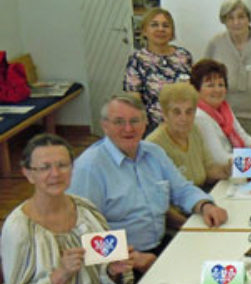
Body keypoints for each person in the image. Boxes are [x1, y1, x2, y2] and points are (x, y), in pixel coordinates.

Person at [1, 134, 134, 284]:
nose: (55, 174)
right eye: (44, 168)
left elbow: (109, 275)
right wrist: (60, 275)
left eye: (62, 165)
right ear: (28, 174)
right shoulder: (19, 229)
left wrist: (114, 271)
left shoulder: (85, 209)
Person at [69, 94, 228, 272]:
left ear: (145, 123)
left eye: (135, 121)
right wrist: (129, 258)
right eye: (119, 122)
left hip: (161, 245)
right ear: (105, 126)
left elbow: (182, 189)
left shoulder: (154, 152)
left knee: (221, 260)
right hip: (122, 263)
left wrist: (206, 206)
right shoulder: (89, 168)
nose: (128, 128)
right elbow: (82, 231)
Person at [203, 0, 251, 138]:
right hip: (226, 121)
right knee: (236, 160)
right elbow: (203, 82)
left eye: (241, 17)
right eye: (230, 18)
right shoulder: (215, 44)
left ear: (249, 18)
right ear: (224, 21)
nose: (236, 22)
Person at [192, 59, 251, 165]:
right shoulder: (199, 116)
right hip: (219, 174)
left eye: (221, 85)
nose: (217, 90)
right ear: (196, 90)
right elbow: (219, 158)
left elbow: (243, 137)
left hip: (234, 166)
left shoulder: (224, 109)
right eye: (210, 85)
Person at [146, 83, 230, 187]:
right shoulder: (153, 145)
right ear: (165, 114)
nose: (184, 118)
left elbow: (208, 170)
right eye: (177, 112)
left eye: (189, 112)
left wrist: (226, 170)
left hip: (201, 196)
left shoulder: (194, 131)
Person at [123, 7, 192, 130]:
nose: (161, 29)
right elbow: (134, 98)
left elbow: (194, 90)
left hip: (184, 123)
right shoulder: (137, 59)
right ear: (144, 31)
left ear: (172, 32)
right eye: (154, 25)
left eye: (165, 26)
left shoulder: (184, 56)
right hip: (153, 126)